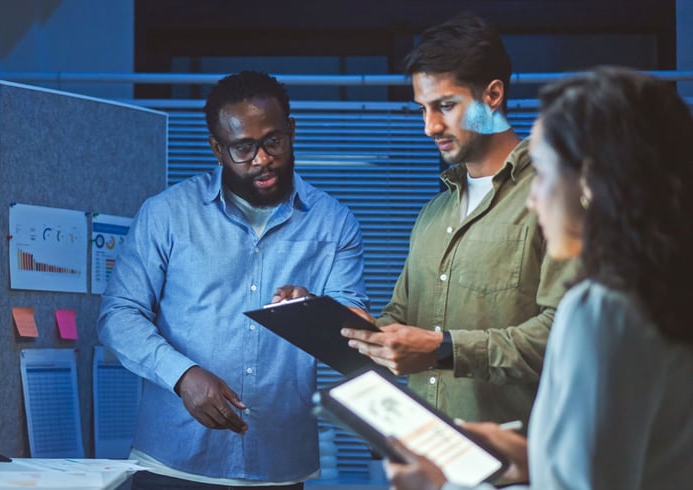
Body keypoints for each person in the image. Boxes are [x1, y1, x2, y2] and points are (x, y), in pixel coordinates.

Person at [385, 66, 693, 490]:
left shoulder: (601, 309)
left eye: (544, 174)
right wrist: (536, 460)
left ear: (589, 182)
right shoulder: (664, 292)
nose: (532, 196)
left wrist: (440, 484)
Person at [97, 70, 369, 489]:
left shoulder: (335, 223)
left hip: (279, 466)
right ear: (217, 149)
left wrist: (316, 311)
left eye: (272, 141)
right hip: (175, 461)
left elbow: (355, 330)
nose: (261, 159)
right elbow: (118, 315)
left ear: (292, 131)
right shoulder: (166, 214)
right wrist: (182, 375)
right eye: (243, 148)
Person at [315, 13, 574, 431]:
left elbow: (568, 334)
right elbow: (402, 316)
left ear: (492, 95)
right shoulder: (433, 214)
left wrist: (445, 349)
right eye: (422, 109)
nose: (429, 127)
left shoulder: (553, 199)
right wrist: (332, 321)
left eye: (446, 106)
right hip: (426, 456)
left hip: (515, 464)